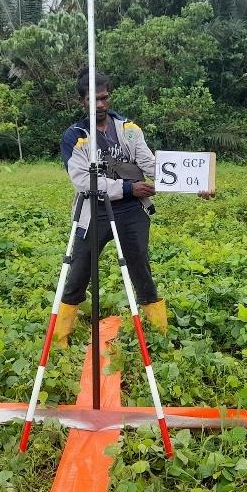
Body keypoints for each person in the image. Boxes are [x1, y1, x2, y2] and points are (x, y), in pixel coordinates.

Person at [56, 68, 206, 347]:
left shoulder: (130, 130)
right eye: (93, 99)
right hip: (94, 212)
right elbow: (81, 181)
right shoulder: (74, 137)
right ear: (82, 102)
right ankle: (61, 336)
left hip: (131, 212)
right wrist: (127, 188)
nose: (100, 104)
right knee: (79, 269)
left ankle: (158, 331)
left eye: (104, 98)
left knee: (140, 267)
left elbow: (152, 166)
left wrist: (195, 184)